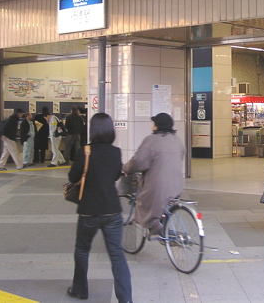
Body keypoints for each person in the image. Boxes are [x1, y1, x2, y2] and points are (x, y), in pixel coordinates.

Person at [67, 112, 132, 302]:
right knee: (117, 255)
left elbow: (72, 177)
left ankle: (80, 289)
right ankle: (126, 299)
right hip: (112, 210)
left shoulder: (85, 151)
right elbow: (115, 176)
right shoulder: (115, 152)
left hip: (89, 210)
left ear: (92, 130)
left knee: (82, 250)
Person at [123, 113, 185, 236]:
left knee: (143, 201)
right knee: (162, 203)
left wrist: (126, 169)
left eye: (154, 124)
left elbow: (138, 162)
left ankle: (154, 226)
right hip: (177, 186)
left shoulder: (151, 140)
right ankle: (162, 227)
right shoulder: (177, 140)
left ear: (157, 126)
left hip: (159, 187)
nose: (152, 126)